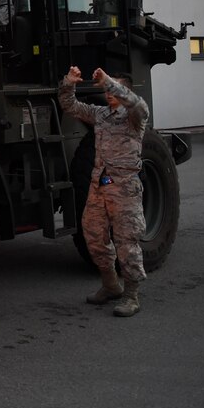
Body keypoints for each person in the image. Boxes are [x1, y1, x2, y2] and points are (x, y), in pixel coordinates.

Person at [59, 66, 149, 317]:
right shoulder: (100, 114)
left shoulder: (135, 115)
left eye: (114, 88)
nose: (108, 93)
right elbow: (70, 106)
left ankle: (132, 295)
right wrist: (69, 82)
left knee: (127, 242)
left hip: (125, 187)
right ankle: (111, 285)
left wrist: (108, 81)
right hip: (100, 186)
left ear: (124, 90)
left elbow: (136, 103)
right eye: (107, 89)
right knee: (94, 235)